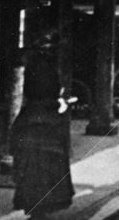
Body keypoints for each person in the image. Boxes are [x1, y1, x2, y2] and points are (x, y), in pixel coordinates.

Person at [10, 31, 73, 217]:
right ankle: (42, 207)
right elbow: (44, 95)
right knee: (46, 166)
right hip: (45, 122)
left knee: (33, 167)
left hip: (31, 120)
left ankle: (35, 206)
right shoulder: (46, 68)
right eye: (50, 48)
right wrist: (59, 103)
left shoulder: (33, 66)